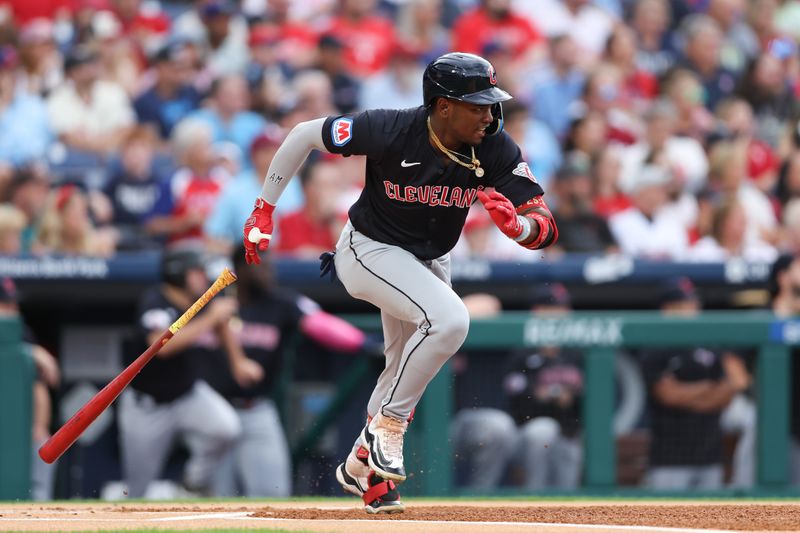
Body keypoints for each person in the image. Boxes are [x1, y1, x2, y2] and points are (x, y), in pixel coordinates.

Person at [241, 52, 558, 512]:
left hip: (430, 258)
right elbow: (303, 134)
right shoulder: (390, 127)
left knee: (403, 365)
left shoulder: (493, 145)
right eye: (478, 105)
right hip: (368, 249)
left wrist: (521, 229)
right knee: (450, 320)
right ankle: (387, 428)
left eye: (492, 103)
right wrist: (265, 208)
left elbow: (543, 222)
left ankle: (362, 469)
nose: (490, 114)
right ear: (443, 106)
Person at [201, 246, 385, 497]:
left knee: (273, 493)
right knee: (215, 497)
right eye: (261, 266)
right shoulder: (214, 302)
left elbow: (319, 323)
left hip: (257, 409)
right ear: (240, 269)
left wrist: (362, 342)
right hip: (213, 412)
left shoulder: (280, 302)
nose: (269, 271)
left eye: (269, 264)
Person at [117, 247, 241, 498]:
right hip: (148, 407)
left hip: (187, 395)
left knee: (226, 428)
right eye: (196, 272)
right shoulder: (155, 301)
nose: (202, 277)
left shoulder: (202, 301)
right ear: (178, 273)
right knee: (137, 490)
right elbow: (160, 347)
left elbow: (223, 325)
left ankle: (193, 482)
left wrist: (238, 361)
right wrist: (210, 318)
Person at [451, 283, 583, 490]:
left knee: (555, 438)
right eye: (553, 310)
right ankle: (485, 502)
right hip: (484, 429)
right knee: (520, 429)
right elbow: (488, 304)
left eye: (564, 309)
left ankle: (563, 509)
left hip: (534, 437)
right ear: (536, 312)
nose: (561, 315)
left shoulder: (574, 352)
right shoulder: (517, 344)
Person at [640, 277, 752, 490]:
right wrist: (710, 388)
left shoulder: (711, 343)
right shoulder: (654, 345)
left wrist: (694, 395)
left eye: (693, 303)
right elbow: (669, 396)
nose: (691, 309)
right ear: (667, 309)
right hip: (669, 459)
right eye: (683, 304)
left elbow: (732, 389)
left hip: (710, 457)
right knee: (666, 522)